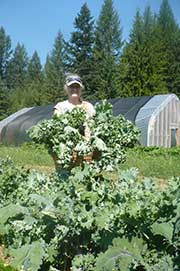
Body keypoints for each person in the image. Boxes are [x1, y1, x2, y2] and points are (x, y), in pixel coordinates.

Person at [53, 73, 95, 140]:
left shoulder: (89, 106)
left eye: (77, 87)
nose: (75, 89)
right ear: (66, 88)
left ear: (81, 89)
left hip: (89, 147)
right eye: (71, 87)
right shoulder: (60, 107)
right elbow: (57, 129)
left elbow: (94, 126)